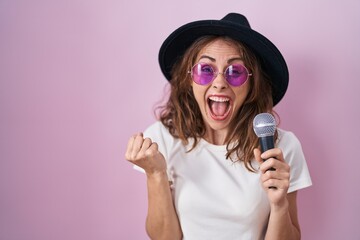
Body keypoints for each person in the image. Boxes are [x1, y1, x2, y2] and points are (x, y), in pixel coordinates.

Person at [125, 13, 312, 240]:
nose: (220, 82)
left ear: (252, 84)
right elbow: (165, 237)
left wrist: (279, 203)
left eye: (235, 72)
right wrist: (155, 173)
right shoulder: (161, 138)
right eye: (206, 70)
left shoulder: (280, 148)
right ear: (189, 78)